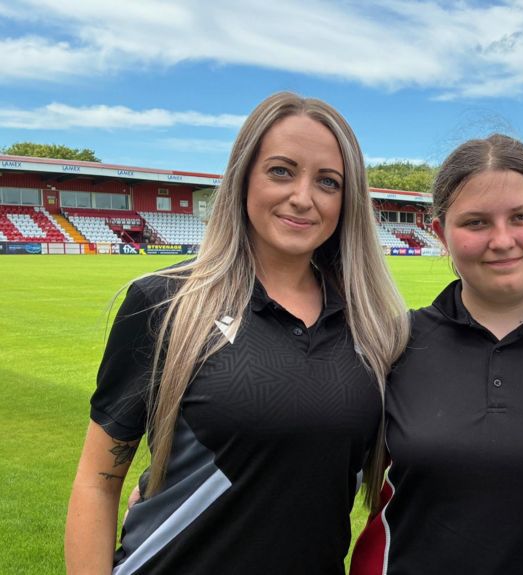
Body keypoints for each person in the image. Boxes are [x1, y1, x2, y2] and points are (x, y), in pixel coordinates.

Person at [65, 92, 409, 574]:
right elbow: (98, 483)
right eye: (281, 171)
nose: (303, 197)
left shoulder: (375, 329)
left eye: (328, 182)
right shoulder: (164, 302)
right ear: (244, 175)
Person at [350, 134, 523, 574]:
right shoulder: (392, 343)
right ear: (441, 233)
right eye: (476, 222)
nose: (502, 240)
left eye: (521, 217)